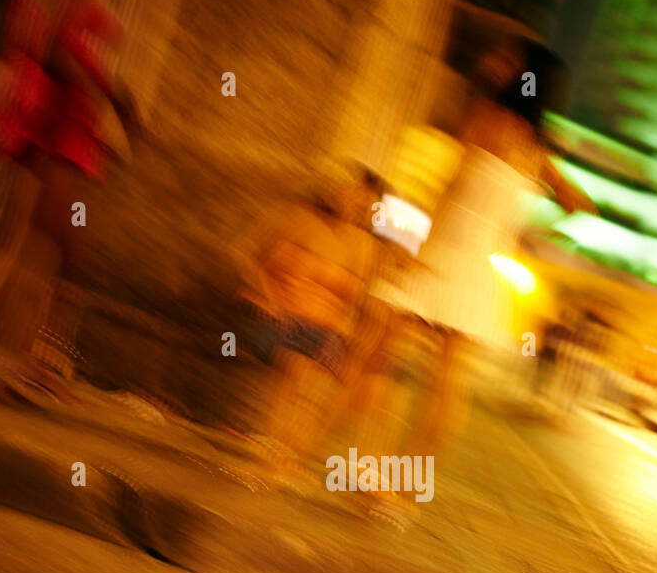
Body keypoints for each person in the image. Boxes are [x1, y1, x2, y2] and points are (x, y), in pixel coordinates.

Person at [351, 41, 597, 524]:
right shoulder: (536, 149)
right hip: (481, 270)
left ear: (523, 73)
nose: (498, 59)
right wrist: (521, 226)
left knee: (377, 357)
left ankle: (368, 470)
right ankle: (395, 489)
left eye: (510, 58)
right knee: (446, 389)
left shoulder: (487, 118)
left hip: (445, 253)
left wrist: (415, 251)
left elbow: (451, 190)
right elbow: (580, 204)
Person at [0, 0, 158, 402]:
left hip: (58, 119)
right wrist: (114, 97)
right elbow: (52, 40)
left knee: (44, 247)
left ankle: (4, 360)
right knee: (33, 243)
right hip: (45, 116)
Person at [242, 166, 383, 489]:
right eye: (354, 196)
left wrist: (348, 337)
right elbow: (247, 256)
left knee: (334, 377)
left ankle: (287, 456)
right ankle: (271, 453)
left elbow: (356, 303)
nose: (356, 208)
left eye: (365, 206)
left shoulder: (364, 247)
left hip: (322, 329)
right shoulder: (298, 218)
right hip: (275, 315)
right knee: (301, 365)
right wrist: (266, 297)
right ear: (336, 191)